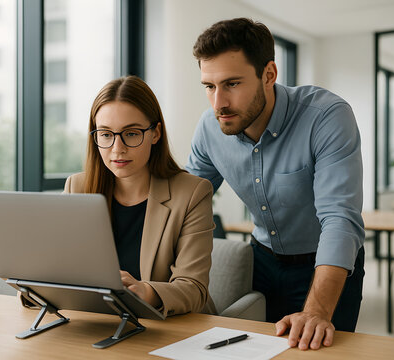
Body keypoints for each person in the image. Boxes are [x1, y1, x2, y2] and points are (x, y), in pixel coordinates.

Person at [187, 18, 365, 350]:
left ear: (269, 74)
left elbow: (340, 219)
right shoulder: (210, 127)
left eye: (232, 84)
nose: (218, 103)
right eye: (209, 86)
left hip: (323, 264)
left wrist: (315, 312)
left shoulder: (326, 117)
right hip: (261, 260)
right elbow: (185, 202)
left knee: (316, 350)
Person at [64, 75, 215, 317]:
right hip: (99, 323)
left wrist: (145, 291)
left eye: (131, 133)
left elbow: (193, 289)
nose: (117, 148)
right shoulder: (77, 187)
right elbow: (61, 270)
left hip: (170, 327)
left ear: (155, 133)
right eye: (105, 134)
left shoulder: (191, 193)